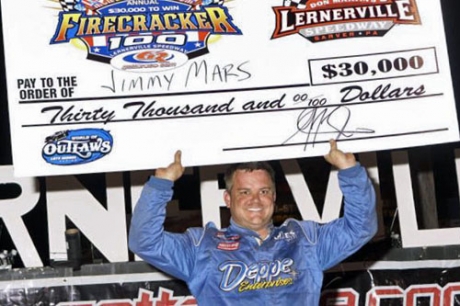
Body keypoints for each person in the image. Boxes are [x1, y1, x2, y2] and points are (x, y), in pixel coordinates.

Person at [128, 140, 377, 305]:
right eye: (244, 192)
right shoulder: (202, 247)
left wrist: (350, 171)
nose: (255, 200)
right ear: (228, 198)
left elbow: (360, 228)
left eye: (264, 191)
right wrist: (160, 185)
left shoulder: (305, 240)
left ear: (274, 197)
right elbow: (145, 241)